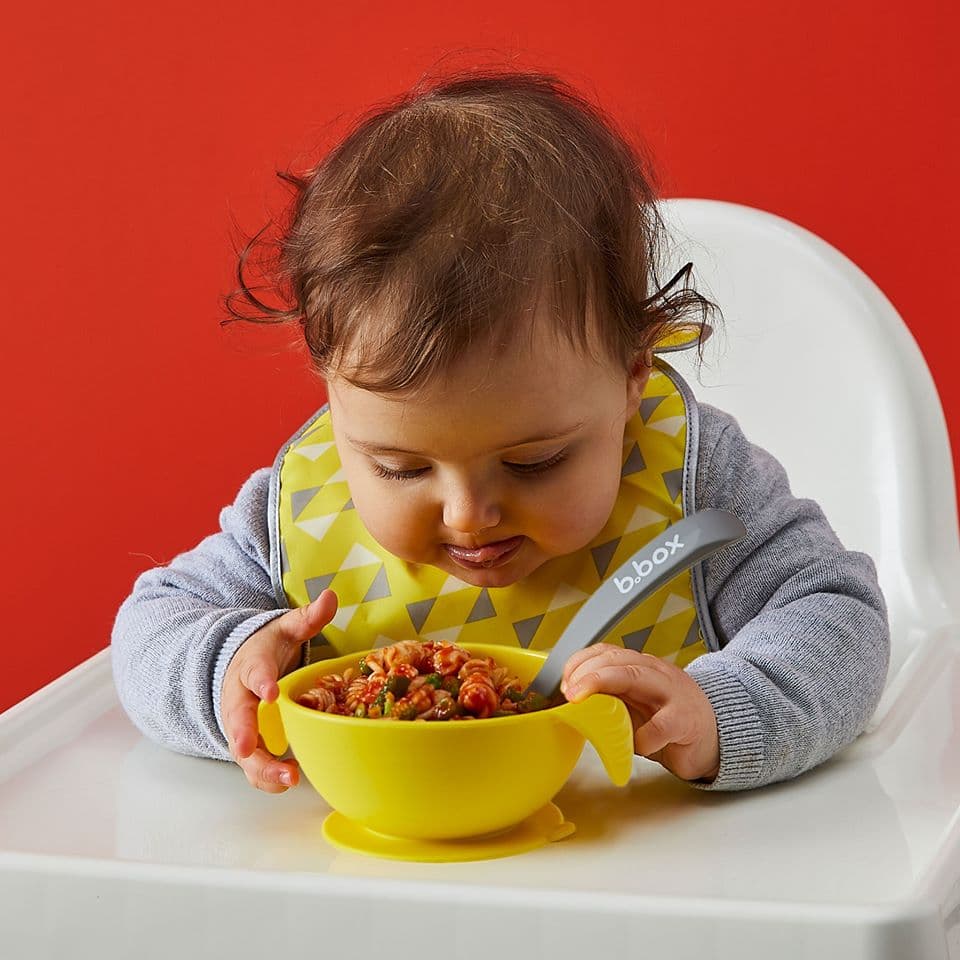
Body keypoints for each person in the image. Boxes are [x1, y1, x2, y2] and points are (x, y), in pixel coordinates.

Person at [111, 68, 889, 795]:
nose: (468, 515)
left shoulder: (693, 478)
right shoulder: (298, 514)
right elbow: (151, 629)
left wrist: (721, 710)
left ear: (631, 378)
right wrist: (227, 672)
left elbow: (839, 615)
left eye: (534, 461)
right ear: (334, 399)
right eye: (401, 468)